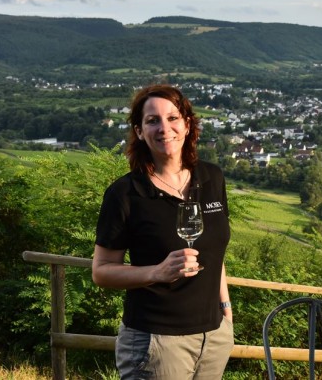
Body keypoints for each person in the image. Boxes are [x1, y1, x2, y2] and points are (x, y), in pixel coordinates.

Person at [92, 84, 234, 379]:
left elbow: (215, 251)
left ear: (187, 124)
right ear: (140, 131)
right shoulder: (125, 194)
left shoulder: (212, 177)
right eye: (152, 120)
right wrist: (156, 272)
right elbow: (102, 271)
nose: (164, 128)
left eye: (172, 118)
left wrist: (225, 307)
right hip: (157, 341)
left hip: (214, 337)